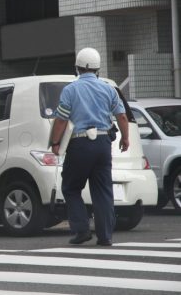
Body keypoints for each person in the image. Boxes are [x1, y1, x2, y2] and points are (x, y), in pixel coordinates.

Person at [50, 47, 129, 246]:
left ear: (77, 68)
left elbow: (61, 120)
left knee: (71, 187)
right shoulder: (108, 89)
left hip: (79, 143)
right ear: (98, 69)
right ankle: (105, 236)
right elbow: (121, 116)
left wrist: (55, 143)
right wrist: (125, 138)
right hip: (103, 144)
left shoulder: (71, 90)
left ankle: (81, 231)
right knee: (103, 190)